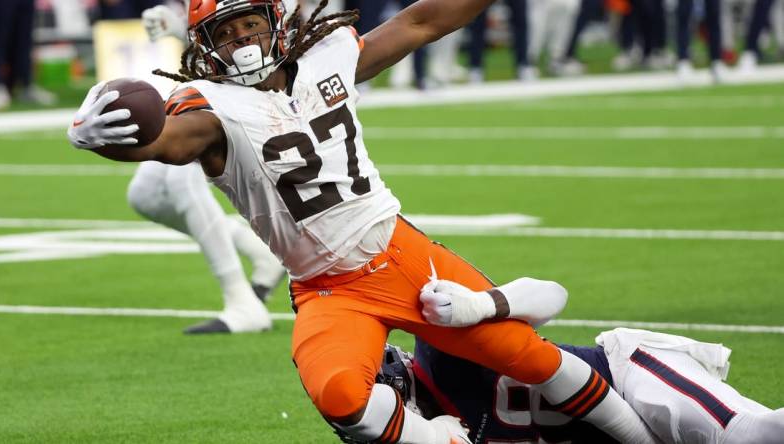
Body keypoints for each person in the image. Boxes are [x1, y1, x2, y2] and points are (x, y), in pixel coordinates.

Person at [66, 1, 659, 442]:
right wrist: (100, 141)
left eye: (249, 23)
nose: (242, 39)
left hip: (402, 254)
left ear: (275, 22)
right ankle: (441, 436)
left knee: (533, 359)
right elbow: (165, 143)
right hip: (326, 288)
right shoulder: (209, 105)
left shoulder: (328, 56)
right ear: (204, 44)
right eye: (226, 30)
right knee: (343, 399)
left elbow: (424, 21)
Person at [343, 277, 784, 444]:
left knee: (751, 435)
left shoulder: (440, 348)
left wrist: (482, 303)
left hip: (626, 375)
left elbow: (551, 294)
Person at [115, 2, 287, 335]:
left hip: (260, 95)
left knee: (182, 176)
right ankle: (262, 254)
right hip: (219, 80)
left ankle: (241, 300)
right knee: (145, 194)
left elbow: (265, 25)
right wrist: (185, 27)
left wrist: (184, 27)